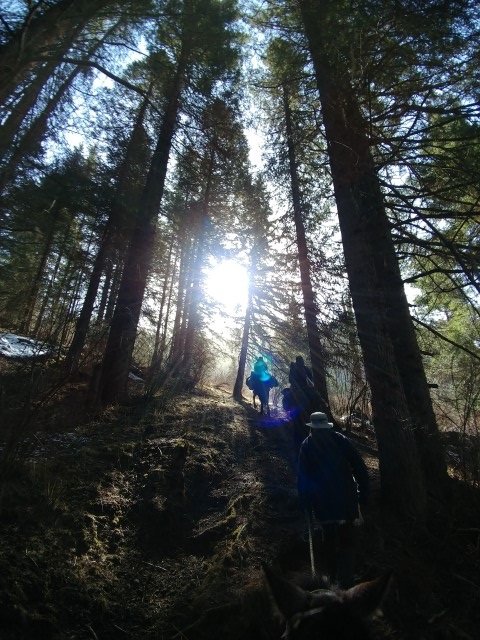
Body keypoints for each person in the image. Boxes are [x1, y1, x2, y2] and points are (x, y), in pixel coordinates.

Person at [297, 411, 370, 589]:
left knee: (329, 540)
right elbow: (360, 467)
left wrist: (306, 506)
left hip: (323, 504)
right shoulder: (340, 440)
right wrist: (363, 493)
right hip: (346, 501)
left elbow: (302, 480)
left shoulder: (307, 445)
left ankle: (331, 582)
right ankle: (346, 583)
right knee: (347, 542)